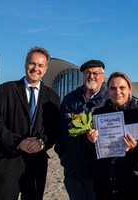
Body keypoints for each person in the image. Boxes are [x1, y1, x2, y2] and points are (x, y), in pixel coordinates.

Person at [0, 47, 61, 200]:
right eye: (32, 63)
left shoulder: (52, 97)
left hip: (36, 163)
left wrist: (43, 142)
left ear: (46, 69)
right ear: (25, 64)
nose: (36, 68)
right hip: (7, 160)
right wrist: (18, 142)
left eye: (41, 65)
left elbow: (55, 129)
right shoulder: (5, 90)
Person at [87, 72, 138, 200]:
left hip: (133, 184)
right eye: (113, 88)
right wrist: (90, 140)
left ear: (129, 89)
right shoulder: (98, 114)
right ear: (108, 90)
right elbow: (91, 152)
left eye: (122, 87)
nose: (117, 92)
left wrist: (136, 148)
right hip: (105, 184)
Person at [54, 60, 109, 200]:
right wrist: (64, 155)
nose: (91, 76)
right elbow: (59, 129)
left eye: (95, 73)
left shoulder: (109, 99)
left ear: (103, 76)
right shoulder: (70, 99)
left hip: (98, 172)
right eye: (87, 73)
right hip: (73, 169)